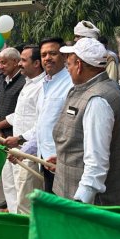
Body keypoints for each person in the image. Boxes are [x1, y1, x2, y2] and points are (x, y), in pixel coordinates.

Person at [50, 38, 120, 205]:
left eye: (68, 64)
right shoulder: (96, 89)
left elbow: (96, 162)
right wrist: (63, 158)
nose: (67, 69)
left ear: (79, 65)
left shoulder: (97, 100)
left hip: (86, 202)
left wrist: (81, 201)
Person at [3, 46, 44, 214]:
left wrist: (20, 138)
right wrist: (0, 124)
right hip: (15, 148)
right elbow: (21, 114)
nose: (20, 64)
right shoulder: (27, 84)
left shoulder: (42, 86)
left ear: (36, 63)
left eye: (23, 60)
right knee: (11, 188)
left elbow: (42, 123)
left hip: (29, 152)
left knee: (25, 199)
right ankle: (14, 224)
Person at [35, 37, 74, 193]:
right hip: (44, 160)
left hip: (62, 162)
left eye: (52, 53)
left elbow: (73, 128)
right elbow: (41, 124)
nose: (47, 58)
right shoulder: (44, 84)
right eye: (43, 55)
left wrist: (62, 157)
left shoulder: (71, 84)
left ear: (64, 56)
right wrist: (23, 148)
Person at [0, 48, 25, 213]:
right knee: (8, 180)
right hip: (3, 138)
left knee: (19, 181)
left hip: (17, 139)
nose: (0, 66)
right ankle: (11, 211)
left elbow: (19, 112)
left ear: (15, 62)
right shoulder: (4, 80)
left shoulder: (24, 82)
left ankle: (19, 214)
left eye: (3, 62)